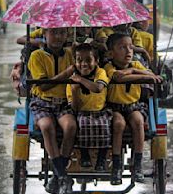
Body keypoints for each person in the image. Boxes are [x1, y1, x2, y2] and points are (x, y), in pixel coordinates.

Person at [103, 33, 162, 185]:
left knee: (138, 121)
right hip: (113, 107)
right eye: (122, 48)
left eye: (130, 47)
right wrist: (137, 74)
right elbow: (118, 77)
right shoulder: (108, 67)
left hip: (133, 105)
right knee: (118, 124)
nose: (128, 51)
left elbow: (150, 74)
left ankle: (137, 163)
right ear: (111, 53)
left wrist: (134, 71)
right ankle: (116, 165)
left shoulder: (136, 65)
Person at [28, 27, 77, 194]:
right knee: (47, 127)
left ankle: (58, 176)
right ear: (45, 34)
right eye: (54, 32)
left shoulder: (71, 54)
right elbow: (43, 85)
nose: (58, 37)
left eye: (62, 33)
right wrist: (67, 73)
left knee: (70, 126)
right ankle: (62, 175)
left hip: (64, 103)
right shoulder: (37, 56)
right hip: (43, 102)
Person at [66, 43, 111, 171]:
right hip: (82, 112)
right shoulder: (71, 80)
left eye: (88, 60)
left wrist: (80, 80)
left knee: (104, 125)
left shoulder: (100, 72)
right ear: (74, 62)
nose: (84, 64)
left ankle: (101, 159)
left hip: (100, 111)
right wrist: (74, 91)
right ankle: (84, 155)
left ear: (96, 61)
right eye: (79, 60)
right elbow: (74, 108)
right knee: (82, 123)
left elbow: (98, 88)